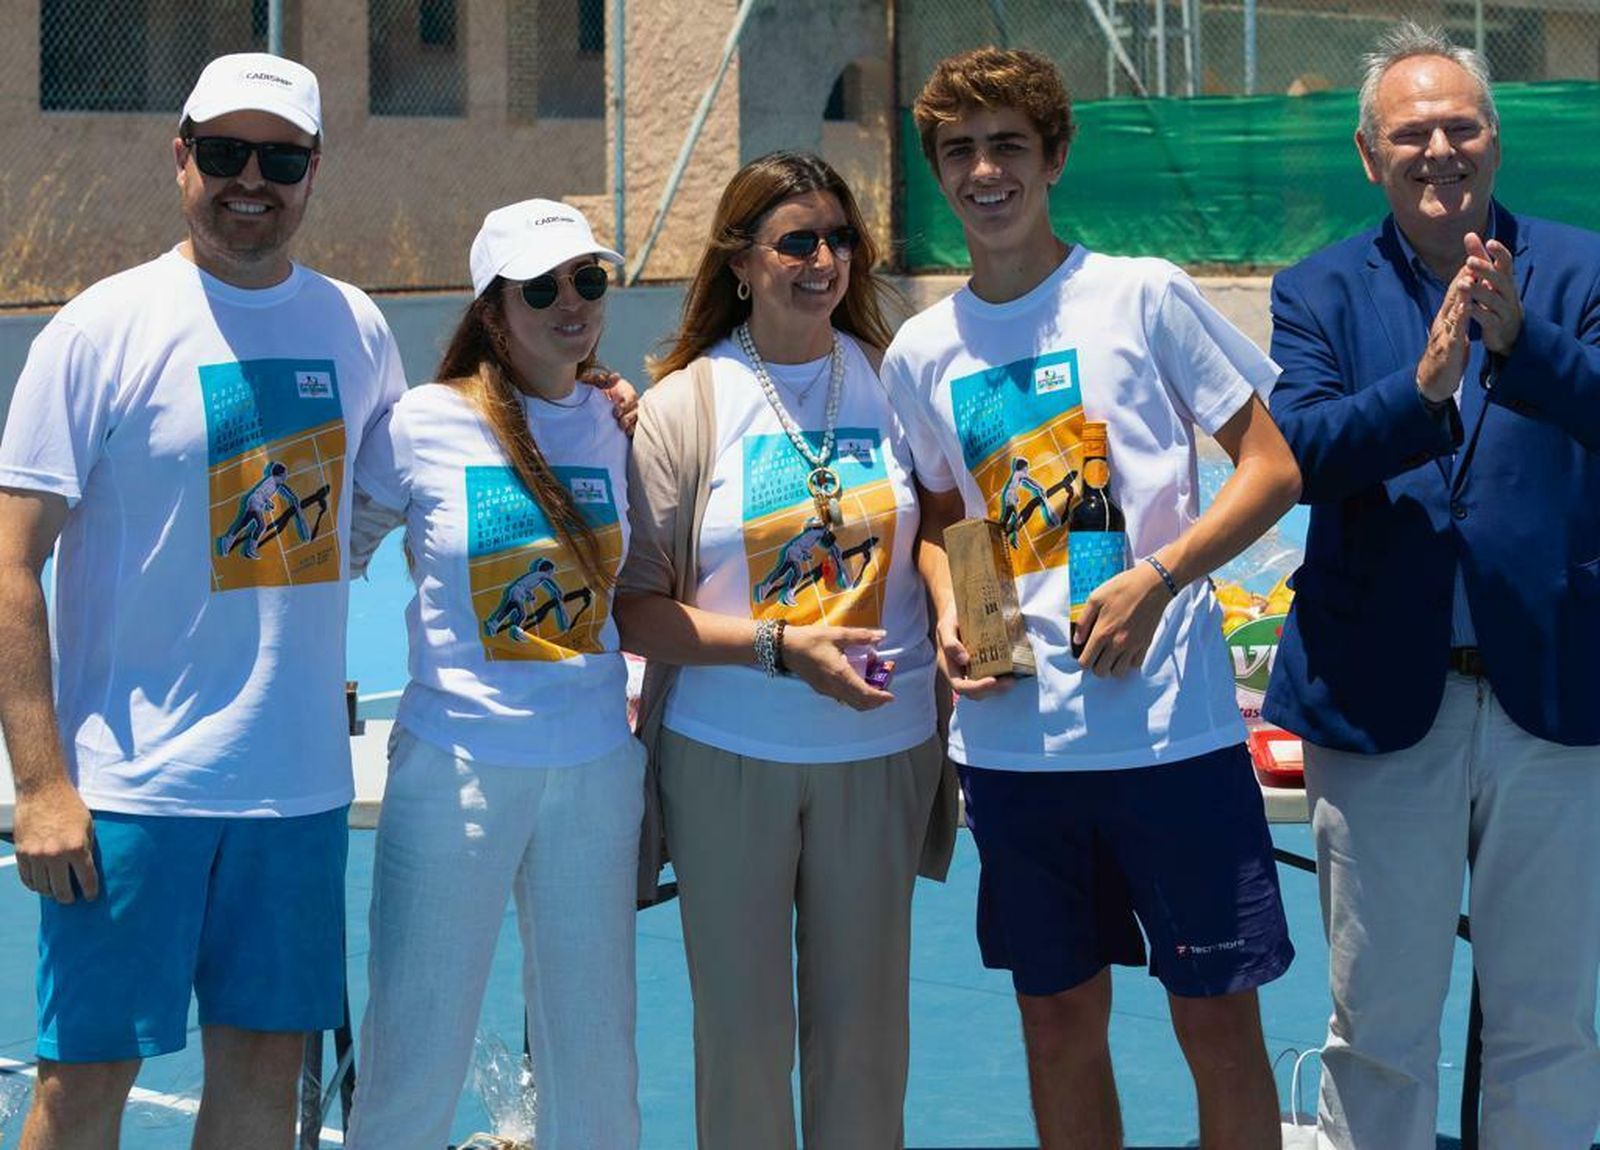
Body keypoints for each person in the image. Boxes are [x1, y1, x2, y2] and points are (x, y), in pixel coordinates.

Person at [882, 48, 1303, 1150]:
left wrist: (1157, 580)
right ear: (938, 172)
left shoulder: (1141, 292)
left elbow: (1271, 467)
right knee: (1056, 1021)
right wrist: (948, 611)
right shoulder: (922, 350)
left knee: (1216, 1024)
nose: (985, 172)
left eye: (1008, 146)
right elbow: (941, 516)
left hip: (1171, 740)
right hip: (1016, 752)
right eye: (960, 151)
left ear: (1054, 157)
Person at [0, 54, 406, 1150]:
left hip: (296, 792)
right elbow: (9, 562)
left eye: (278, 158)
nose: (249, 181)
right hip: (130, 793)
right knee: (82, 1086)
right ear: (180, 155)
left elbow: (404, 482)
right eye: (224, 153)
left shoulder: (359, 329)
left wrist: (600, 391)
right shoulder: (98, 330)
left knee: (264, 1081)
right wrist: (41, 781)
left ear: (313, 169)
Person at [1264, 22, 1600, 1150]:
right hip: (1378, 699)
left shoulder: (1582, 266)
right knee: (1381, 1023)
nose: (1438, 150)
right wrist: (1418, 395)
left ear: (1496, 143)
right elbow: (1299, 451)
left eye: (1461, 127)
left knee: (1547, 1017)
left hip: (1553, 695)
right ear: (1370, 156)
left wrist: (1524, 343)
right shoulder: (1313, 289)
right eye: (1411, 133)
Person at [614, 150, 957, 1150]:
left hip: (879, 757)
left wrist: (959, 616)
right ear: (740, 262)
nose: (822, 261)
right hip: (727, 761)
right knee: (743, 1045)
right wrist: (775, 647)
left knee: (865, 1047)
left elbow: (947, 526)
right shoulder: (686, 404)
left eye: (839, 239)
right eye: (795, 241)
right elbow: (635, 608)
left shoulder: (899, 381)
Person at [342, 200, 643, 1150]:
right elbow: (333, 552)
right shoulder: (423, 423)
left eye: (587, 280)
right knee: (412, 1061)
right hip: (456, 770)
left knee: (596, 1067)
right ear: (492, 307)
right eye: (541, 287)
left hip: (595, 769)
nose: (571, 303)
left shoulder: (614, 419)